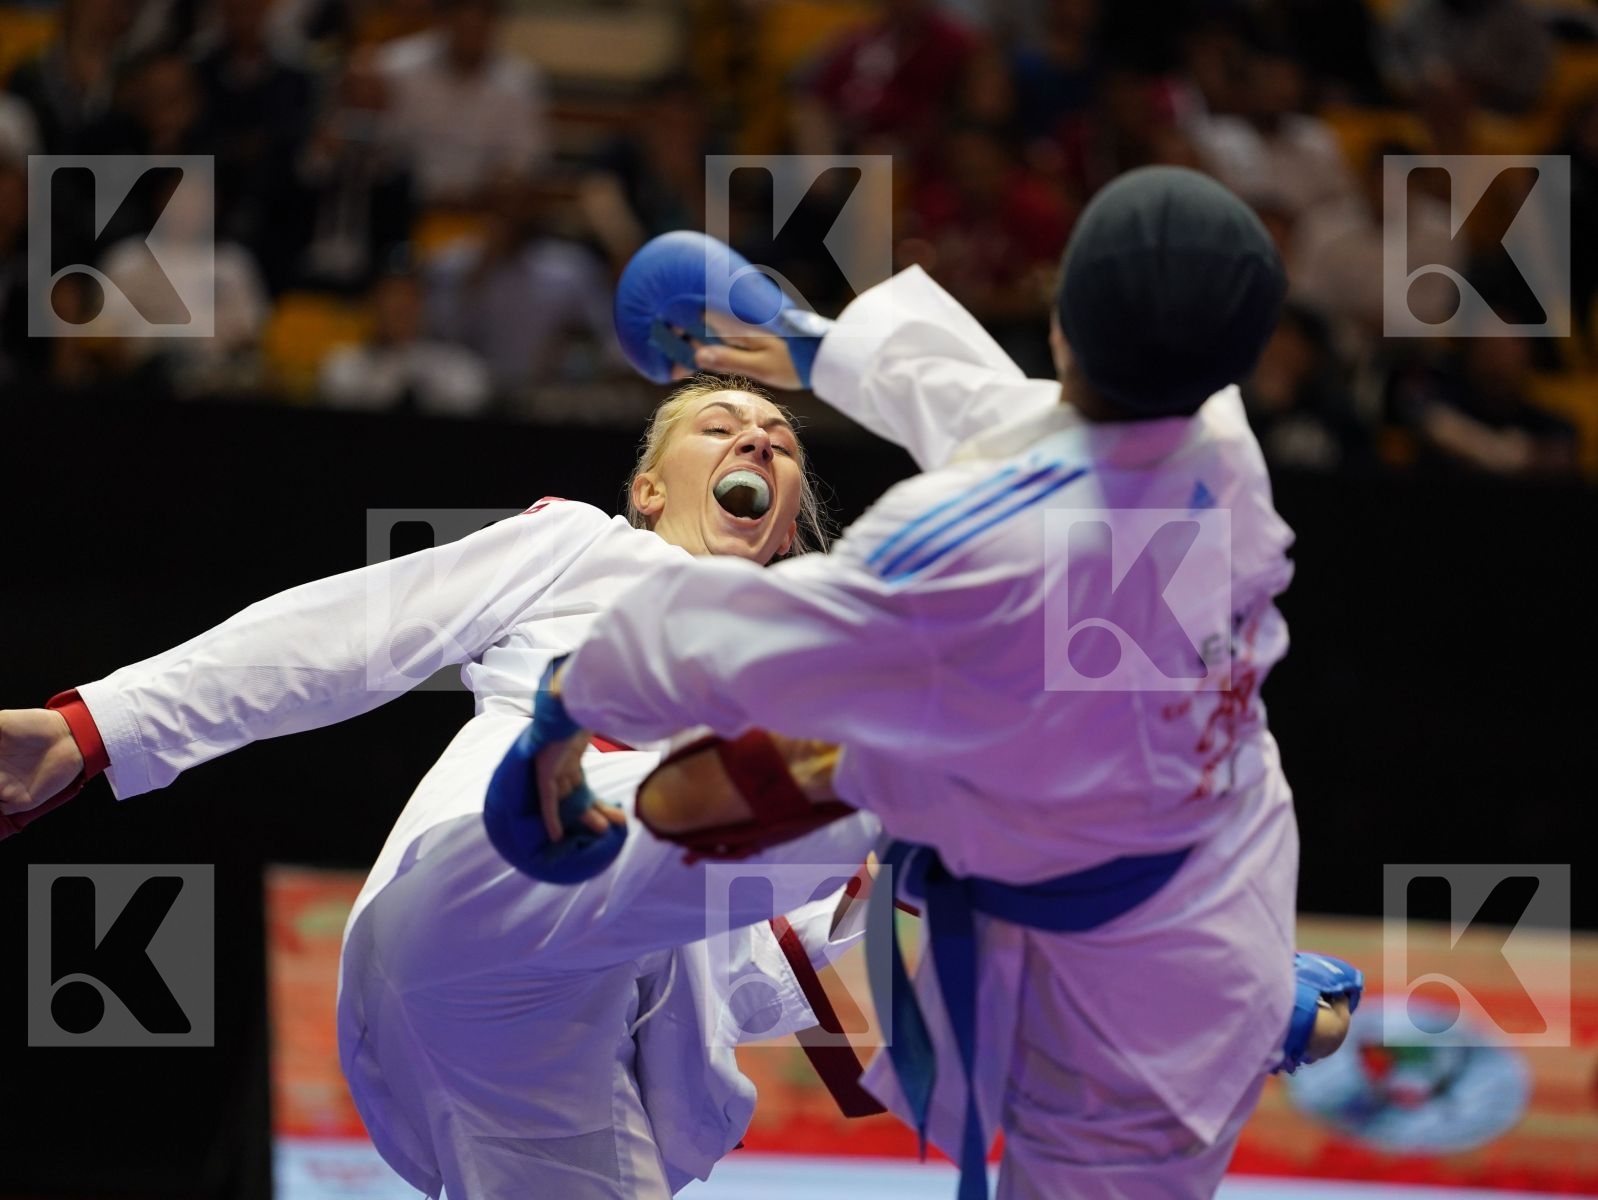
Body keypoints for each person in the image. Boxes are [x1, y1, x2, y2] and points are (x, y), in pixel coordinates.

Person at [517, 169, 1330, 1198]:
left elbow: (732, 634)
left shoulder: (972, 544)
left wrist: (564, 706)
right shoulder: (1223, 440)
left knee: (727, 786)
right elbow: (1034, 423)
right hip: (1222, 868)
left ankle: (873, 777)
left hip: (1119, 1020)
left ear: (1060, 321)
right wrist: (819, 347)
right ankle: (1248, 998)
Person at [0, 374, 880, 1199]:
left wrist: (846, 898)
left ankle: (861, 800)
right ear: (647, 491)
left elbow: (745, 984)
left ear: (787, 527)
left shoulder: (804, 686)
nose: (757, 444)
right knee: (868, 762)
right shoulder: (584, 547)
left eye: (781, 443)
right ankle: (562, 792)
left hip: (572, 1038)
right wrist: (96, 730)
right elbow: (349, 632)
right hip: (476, 906)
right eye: (720, 428)